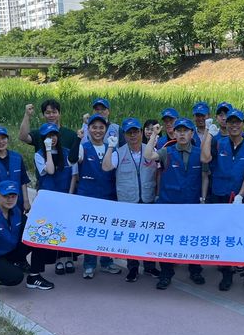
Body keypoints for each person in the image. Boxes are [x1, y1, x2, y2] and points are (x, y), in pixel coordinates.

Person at [201, 108, 244, 293]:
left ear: (243, 124)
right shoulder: (218, 144)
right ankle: (226, 275)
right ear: (226, 124)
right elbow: (204, 158)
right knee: (224, 237)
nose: (234, 125)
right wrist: (209, 135)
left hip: (242, 198)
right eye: (231, 122)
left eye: (238, 122)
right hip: (220, 195)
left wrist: (241, 195)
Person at [144, 118, 207, 289]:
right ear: (174, 133)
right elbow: (148, 155)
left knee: (193, 238)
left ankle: (195, 269)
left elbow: (204, 177)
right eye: (178, 130)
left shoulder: (199, 153)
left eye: (185, 130)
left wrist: (203, 198)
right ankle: (166, 272)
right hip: (168, 204)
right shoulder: (167, 152)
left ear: (191, 133)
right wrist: (154, 135)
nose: (181, 133)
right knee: (167, 240)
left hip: (191, 204)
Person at [102, 117, 161, 282]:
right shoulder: (119, 152)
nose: (133, 135)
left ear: (141, 133)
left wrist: (157, 194)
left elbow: (158, 172)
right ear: (125, 135)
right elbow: (106, 167)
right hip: (128, 202)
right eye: (129, 133)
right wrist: (110, 147)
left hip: (148, 200)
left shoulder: (150, 149)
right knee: (131, 237)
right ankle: (133, 268)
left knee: (149, 235)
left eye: (136, 132)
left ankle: (150, 267)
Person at [0, 180, 54, 294]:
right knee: (16, 277)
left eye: (13, 196)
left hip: (9, 251)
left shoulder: (15, 210)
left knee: (38, 237)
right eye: (6, 196)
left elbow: (31, 229)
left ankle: (34, 277)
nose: (10, 199)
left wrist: (38, 207)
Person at [68, 113, 122, 279]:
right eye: (94, 127)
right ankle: (89, 264)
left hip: (107, 196)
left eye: (101, 127)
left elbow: (112, 168)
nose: (98, 130)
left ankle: (106, 262)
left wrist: (112, 147)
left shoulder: (111, 147)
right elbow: (72, 159)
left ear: (106, 129)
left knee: (107, 230)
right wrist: (78, 139)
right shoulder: (84, 147)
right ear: (88, 129)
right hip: (88, 197)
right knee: (90, 232)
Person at [33, 122, 77, 275]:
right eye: (47, 136)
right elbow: (50, 170)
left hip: (65, 196)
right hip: (49, 199)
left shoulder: (67, 152)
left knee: (67, 228)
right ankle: (58, 260)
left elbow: (73, 175)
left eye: (54, 135)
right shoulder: (39, 155)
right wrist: (48, 150)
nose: (52, 139)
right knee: (54, 229)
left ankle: (69, 258)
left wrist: (71, 195)